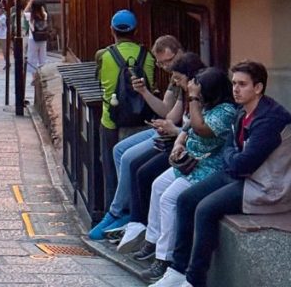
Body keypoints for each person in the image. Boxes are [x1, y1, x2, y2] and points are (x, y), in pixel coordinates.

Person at [152, 60, 291, 287]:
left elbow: (242, 164)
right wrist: (232, 156)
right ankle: (177, 269)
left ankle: (195, 280)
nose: (236, 89)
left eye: (243, 84)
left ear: (258, 88)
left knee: (205, 209)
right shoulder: (242, 112)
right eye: (234, 83)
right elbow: (230, 149)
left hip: (265, 185)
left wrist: (232, 157)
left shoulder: (270, 119)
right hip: (241, 175)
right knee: (186, 199)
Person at [139, 67, 235, 284]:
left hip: (206, 167)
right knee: (157, 185)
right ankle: (153, 242)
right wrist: (180, 142)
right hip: (189, 161)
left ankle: (166, 259)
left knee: (171, 199)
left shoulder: (226, 110)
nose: (196, 94)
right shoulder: (206, 104)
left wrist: (192, 98)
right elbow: (188, 126)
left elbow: (201, 128)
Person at [89, 35, 186, 240]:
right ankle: (124, 210)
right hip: (167, 129)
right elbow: (166, 110)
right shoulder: (175, 77)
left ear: (178, 52)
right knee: (119, 150)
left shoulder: (189, 76)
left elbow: (173, 117)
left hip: (176, 136)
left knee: (128, 158)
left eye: (167, 61)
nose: (165, 67)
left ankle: (118, 212)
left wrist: (170, 126)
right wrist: (143, 92)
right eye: (161, 63)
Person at [114, 51, 205, 253]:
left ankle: (149, 237)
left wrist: (177, 132)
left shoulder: (202, 95)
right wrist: (169, 127)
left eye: (178, 77)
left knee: (145, 172)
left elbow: (200, 130)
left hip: (192, 153)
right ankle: (136, 224)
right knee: (132, 161)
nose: (171, 76)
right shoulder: (186, 91)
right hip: (176, 142)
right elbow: (171, 116)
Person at [93, 9, 156, 222]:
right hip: (142, 121)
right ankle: (137, 216)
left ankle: (112, 216)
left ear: (112, 30)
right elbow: (152, 84)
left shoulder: (103, 55)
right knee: (135, 170)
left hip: (111, 120)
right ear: (136, 31)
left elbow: (101, 82)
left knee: (111, 170)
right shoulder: (147, 56)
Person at [26, 0, 49, 85]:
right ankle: (43, 77)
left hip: (33, 39)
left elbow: (24, 11)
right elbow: (43, 11)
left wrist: (30, 0)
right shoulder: (44, 15)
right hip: (43, 38)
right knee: (42, 58)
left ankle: (35, 78)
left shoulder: (30, 16)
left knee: (32, 58)